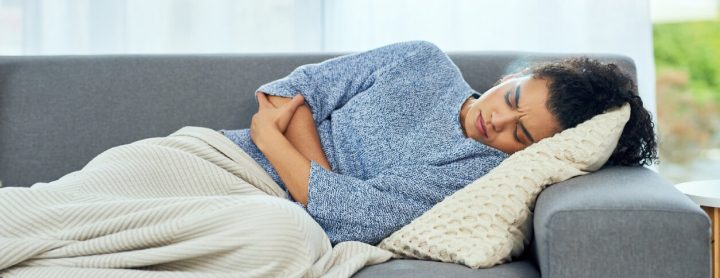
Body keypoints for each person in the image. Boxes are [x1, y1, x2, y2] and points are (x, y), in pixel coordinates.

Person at [219, 40, 657, 245]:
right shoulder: (421, 61)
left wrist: (273, 140)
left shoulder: (475, 171)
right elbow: (287, 93)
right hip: (228, 157)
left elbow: (355, 220)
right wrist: (322, 186)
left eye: (520, 133)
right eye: (512, 97)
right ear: (511, 77)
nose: (498, 119)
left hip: (266, 198)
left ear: (533, 150)